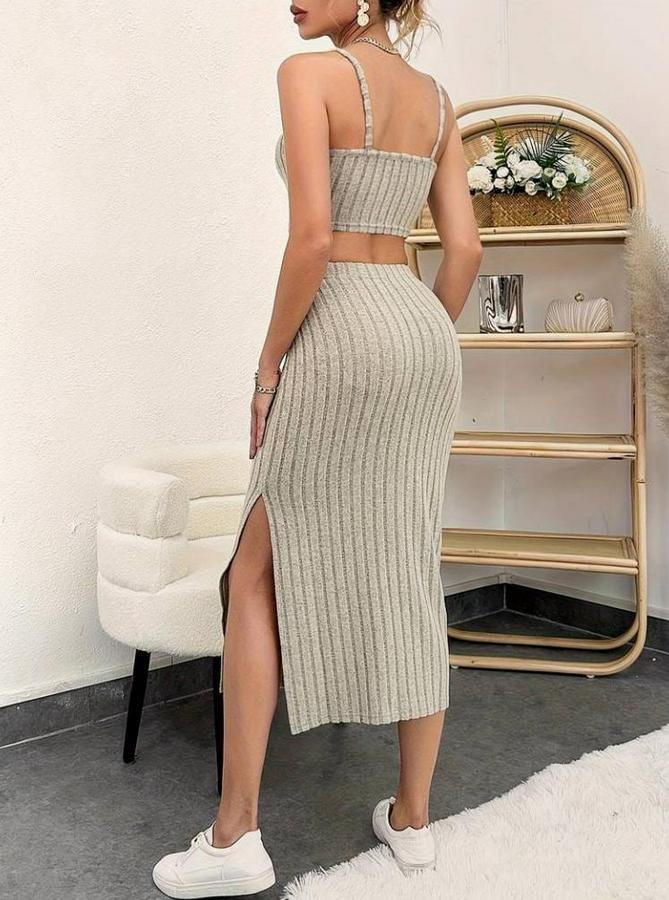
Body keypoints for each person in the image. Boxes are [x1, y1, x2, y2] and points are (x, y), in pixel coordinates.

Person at [152, 1, 482, 895]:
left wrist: (268, 367)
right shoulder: (437, 100)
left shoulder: (309, 75)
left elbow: (311, 238)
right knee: (408, 559)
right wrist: (413, 334)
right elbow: (462, 248)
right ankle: (412, 819)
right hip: (419, 332)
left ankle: (235, 837)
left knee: (254, 571)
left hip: (336, 326)